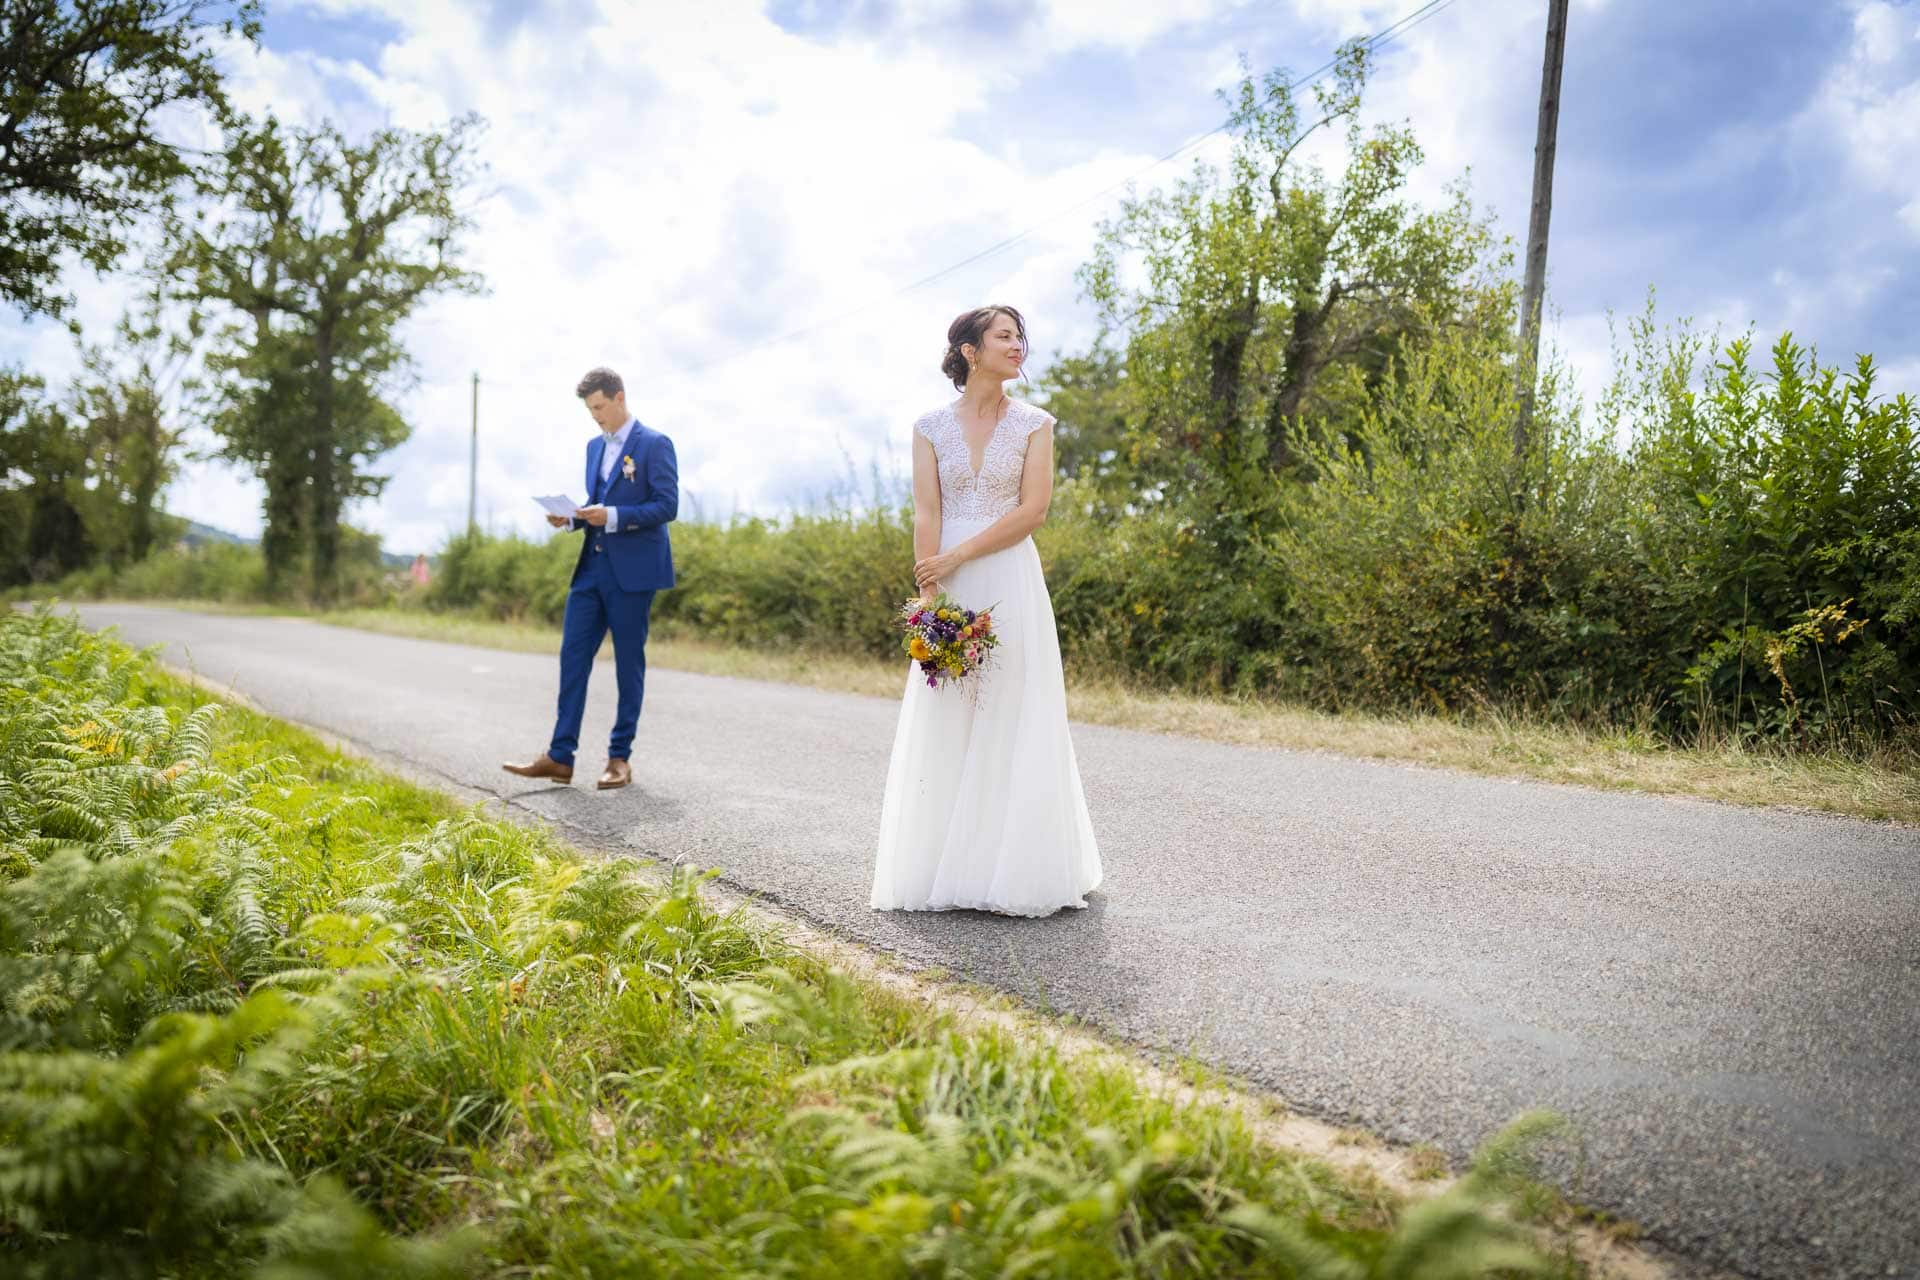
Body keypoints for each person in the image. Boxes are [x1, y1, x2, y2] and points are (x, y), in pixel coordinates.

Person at [870, 305, 1102, 916]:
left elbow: (1033, 511)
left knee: (1012, 708)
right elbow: (927, 511)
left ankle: (1013, 871)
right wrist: (929, 595)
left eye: (1020, 336)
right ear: (970, 351)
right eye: (1004, 336)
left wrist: (960, 555)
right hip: (947, 581)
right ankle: (945, 869)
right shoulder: (928, 426)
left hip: (1007, 575)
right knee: (951, 710)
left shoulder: (1035, 424)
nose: (1017, 344)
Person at [503, 366, 677, 791]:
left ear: (619, 397)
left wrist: (612, 516)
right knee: (572, 657)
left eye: (599, 407)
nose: (595, 416)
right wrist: (570, 519)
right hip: (590, 571)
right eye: (590, 410)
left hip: (633, 574)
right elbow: (595, 502)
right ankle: (560, 757)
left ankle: (619, 758)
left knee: (628, 665)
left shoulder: (655, 444)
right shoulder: (593, 447)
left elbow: (666, 506)